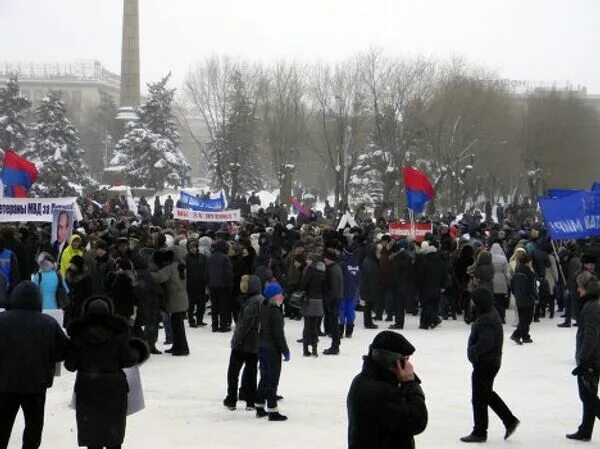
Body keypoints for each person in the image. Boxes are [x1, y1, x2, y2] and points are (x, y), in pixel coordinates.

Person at [65, 296, 149, 449]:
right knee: (113, 436)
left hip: (87, 389)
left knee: (92, 435)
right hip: (114, 390)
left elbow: (70, 365)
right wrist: (137, 350)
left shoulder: (79, 335)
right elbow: (128, 360)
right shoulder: (118, 333)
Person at [0, 281, 69, 449]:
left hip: (5, 384)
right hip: (36, 385)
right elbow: (64, 351)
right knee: (33, 429)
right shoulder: (48, 323)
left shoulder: (2, 321)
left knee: (2, 427)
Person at [347, 330, 428, 449]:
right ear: (397, 362)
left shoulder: (362, 380)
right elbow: (417, 421)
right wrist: (410, 383)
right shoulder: (384, 392)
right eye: (405, 359)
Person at [461, 287, 519, 443]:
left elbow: (486, 343)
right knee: (486, 394)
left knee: (479, 398)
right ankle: (509, 420)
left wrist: (472, 352)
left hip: (486, 363)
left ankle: (479, 432)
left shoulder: (487, 318)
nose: (471, 303)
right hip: (490, 361)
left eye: (473, 300)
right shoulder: (487, 313)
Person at [567, 272, 600, 441]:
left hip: (591, 360)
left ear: (587, 288)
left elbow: (591, 335)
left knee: (588, 396)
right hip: (593, 358)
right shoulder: (592, 304)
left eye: (580, 286)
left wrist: (583, 358)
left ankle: (585, 430)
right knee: (589, 395)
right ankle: (585, 430)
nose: (578, 290)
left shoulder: (591, 307)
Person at [224, 275, 263, 411]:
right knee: (251, 372)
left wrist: (236, 339)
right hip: (255, 344)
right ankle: (250, 401)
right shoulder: (260, 300)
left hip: (244, 344)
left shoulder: (251, 302)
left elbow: (244, 324)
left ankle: (231, 399)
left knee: (233, 372)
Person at [255, 283, 290, 421]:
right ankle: (272, 410)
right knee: (272, 380)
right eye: (280, 294)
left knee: (264, 377)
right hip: (272, 350)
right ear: (274, 296)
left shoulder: (263, 307)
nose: (282, 296)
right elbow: (278, 335)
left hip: (262, 347)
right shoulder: (275, 312)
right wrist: (285, 350)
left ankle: (259, 405)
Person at [151, 246, 190, 356]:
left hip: (175, 299)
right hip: (182, 298)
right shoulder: (181, 265)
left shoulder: (171, 267)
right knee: (179, 325)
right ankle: (179, 346)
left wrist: (148, 272)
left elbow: (159, 278)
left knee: (177, 326)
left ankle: (181, 348)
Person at [299, 253, 325, 357]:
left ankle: (305, 349)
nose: (307, 261)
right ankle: (315, 349)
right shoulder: (322, 271)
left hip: (309, 300)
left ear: (313, 261)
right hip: (319, 301)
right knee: (315, 326)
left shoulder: (310, 271)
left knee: (307, 326)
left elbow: (303, 285)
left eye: (309, 260)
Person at [206, 240, 234, 333]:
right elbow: (228, 273)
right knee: (223, 306)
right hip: (223, 285)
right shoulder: (225, 258)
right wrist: (230, 285)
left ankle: (214, 325)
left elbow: (206, 272)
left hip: (212, 285)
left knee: (214, 306)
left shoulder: (210, 257)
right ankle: (223, 325)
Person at [510, 253, 536, 345]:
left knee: (522, 318)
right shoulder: (529, 273)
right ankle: (517, 334)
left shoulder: (516, 271)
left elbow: (512, 285)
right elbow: (531, 287)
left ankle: (525, 335)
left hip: (519, 298)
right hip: (527, 298)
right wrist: (535, 297)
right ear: (528, 262)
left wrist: (515, 294)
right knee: (527, 319)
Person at [323, 248, 343, 355]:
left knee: (334, 323)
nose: (324, 260)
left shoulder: (332, 270)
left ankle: (335, 346)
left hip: (333, 300)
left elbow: (333, 287)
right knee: (334, 322)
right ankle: (336, 344)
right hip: (335, 299)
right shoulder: (336, 267)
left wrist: (329, 300)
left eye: (326, 258)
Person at [185, 238, 208, 328]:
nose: (193, 249)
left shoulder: (202, 257)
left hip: (201, 283)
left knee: (201, 304)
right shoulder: (186, 258)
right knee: (191, 305)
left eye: (194, 247)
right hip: (190, 284)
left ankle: (199, 319)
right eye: (191, 247)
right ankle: (191, 320)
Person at [340, 246, 360, 338]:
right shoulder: (356, 264)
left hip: (342, 291)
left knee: (341, 311)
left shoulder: (343, 264)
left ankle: (340, 331)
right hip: (353, 291)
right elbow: (359, 277)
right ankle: (349, 331)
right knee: (350, 312)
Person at [360, 244, 379, 329]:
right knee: (368, 306)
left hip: (367, 287)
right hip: (369, 288)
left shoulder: (367, 261)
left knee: (368, 306)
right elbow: (371, 277)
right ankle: (368, 323)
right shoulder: (370, 263)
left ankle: (368, 322)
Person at [490, 243, 509, 323]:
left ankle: (494, 317)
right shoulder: (503, 259)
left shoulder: (489, 258)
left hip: (492, 280)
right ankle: (502, 317)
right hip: (502, 280)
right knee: (501, 302)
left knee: (493, 301)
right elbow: (506, 272)